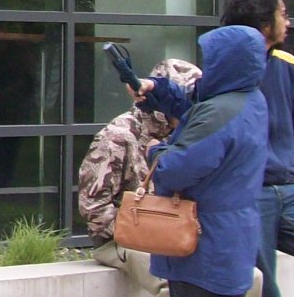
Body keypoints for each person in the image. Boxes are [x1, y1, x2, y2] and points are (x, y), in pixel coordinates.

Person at [142, 0, 294, 296]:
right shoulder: (227, 82)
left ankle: (255, 233)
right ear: (265, 24)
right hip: (248, 192)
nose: (289, 21)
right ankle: (254, 234)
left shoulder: (285, 68)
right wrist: (155, 91)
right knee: (263, 282)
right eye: (284, 14)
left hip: (284, 185)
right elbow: (195, 110)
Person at [140, 25, 270, 297]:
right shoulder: (251, 100)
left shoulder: (218, 114)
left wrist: (155, 151)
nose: (205, 67)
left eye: (211, 60)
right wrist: (157, 89)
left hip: (202, 251)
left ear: (226, 62)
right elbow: (197, 109)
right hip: (230, 244)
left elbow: (175, 171)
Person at [80, 58, 221, 296]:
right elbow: (92, 206)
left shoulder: (190, 135)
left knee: (247, 279)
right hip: (122, 237)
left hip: (179, 230)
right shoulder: (118, 136)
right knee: (172, 285)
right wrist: (146, 229)